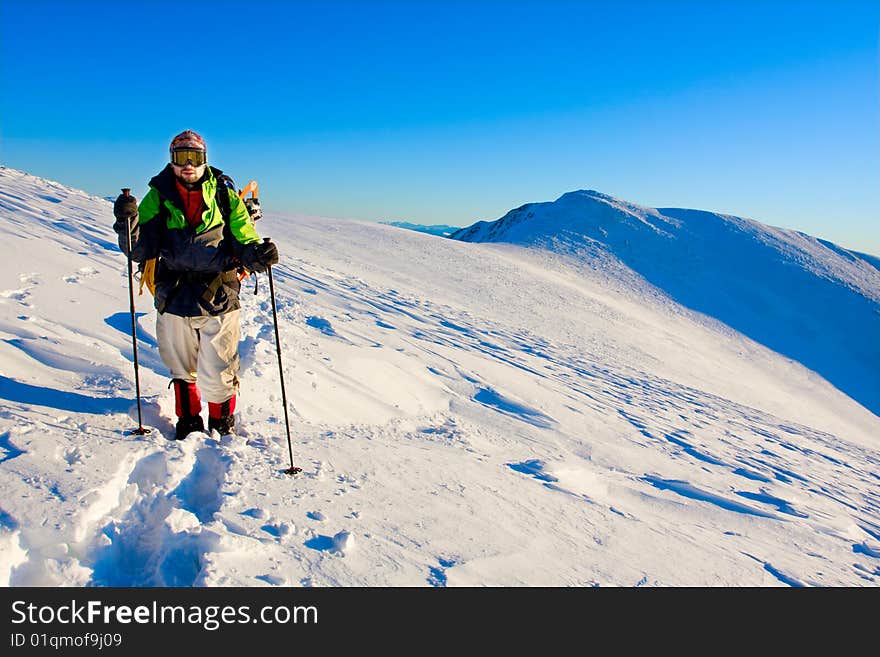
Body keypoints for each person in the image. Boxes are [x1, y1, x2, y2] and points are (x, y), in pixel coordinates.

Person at [112, 130, 279, 440]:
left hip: (219, 294)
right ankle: (188, 420)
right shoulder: (157, 196)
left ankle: (221, 422)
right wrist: (127, 225)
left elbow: (243, 236)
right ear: (172, 161)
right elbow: (140, 250)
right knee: (180, 365)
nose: (188, 164)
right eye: (180, 157)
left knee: (219, 368)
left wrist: (257, 254)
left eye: (195, 157)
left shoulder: (224, 196)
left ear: (204, 160)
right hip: (174, 295)